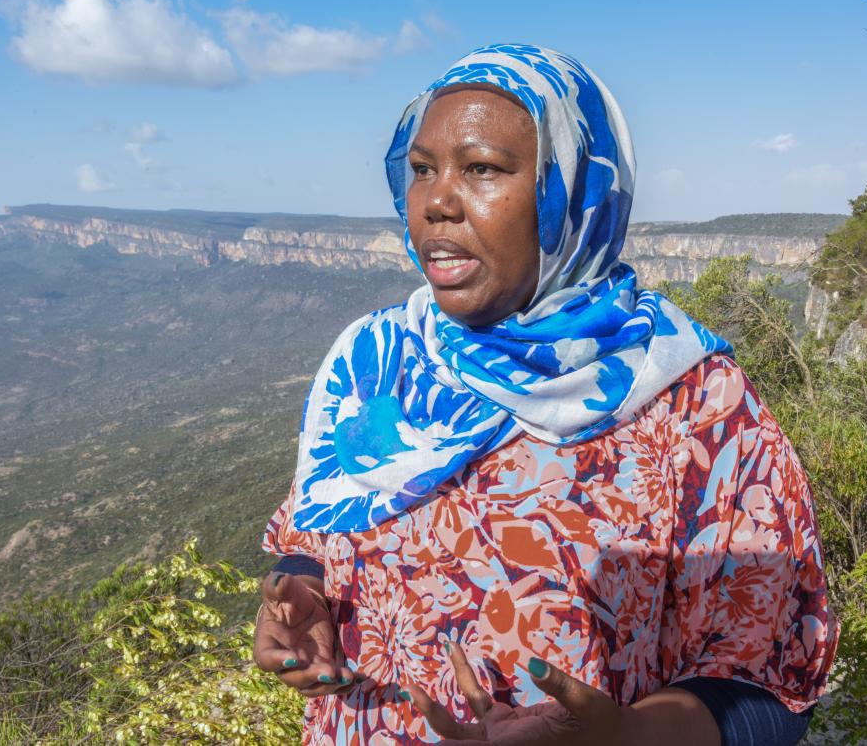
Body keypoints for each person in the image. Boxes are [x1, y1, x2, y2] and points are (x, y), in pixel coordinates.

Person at [254, 44, 837, 745]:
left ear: (570, 192)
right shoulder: (378, 361)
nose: (436, 201)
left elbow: (771, 678)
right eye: (420, 170)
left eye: (482, 169)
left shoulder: (693, 402)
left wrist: (627, 738)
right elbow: (320, 526)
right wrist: (308, 591)